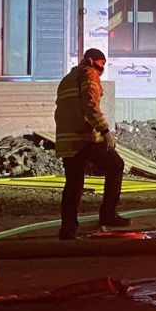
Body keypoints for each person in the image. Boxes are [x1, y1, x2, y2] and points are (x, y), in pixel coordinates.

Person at [55, 47, 127, 239]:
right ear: (90, 61)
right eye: (101, 65)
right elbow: (90, 104)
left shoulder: (67, 80)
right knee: (116, 165)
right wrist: (105, 132)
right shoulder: (89, 73)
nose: (101, 71)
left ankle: (67, 230)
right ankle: (108, 215)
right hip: (85, 137)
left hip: (67, 140)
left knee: (73, 184)